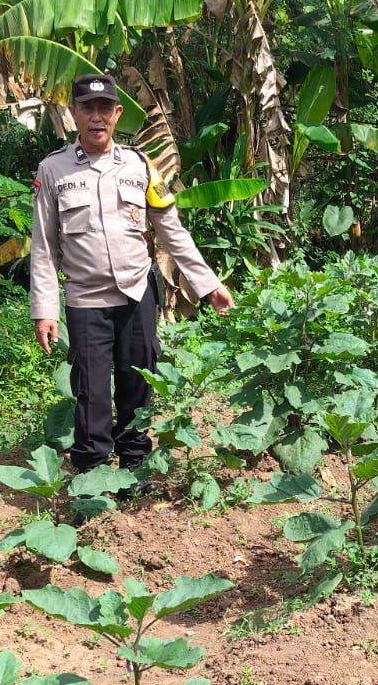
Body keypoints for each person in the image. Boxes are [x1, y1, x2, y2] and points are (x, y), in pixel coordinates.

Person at [29, 73, 232, 492]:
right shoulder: (53, 170)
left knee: (138, 383)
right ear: (73, 113)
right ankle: (92, 479)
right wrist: (45, 310)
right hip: (86, 300)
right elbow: (45, 247)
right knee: (91, 392)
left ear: (118, 114)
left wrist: (208, 284)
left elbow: (172, 231)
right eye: (87, 108)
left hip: (137, 294)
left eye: (105, 108)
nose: (97, 117)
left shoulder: (140, 166)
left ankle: (135, 467)